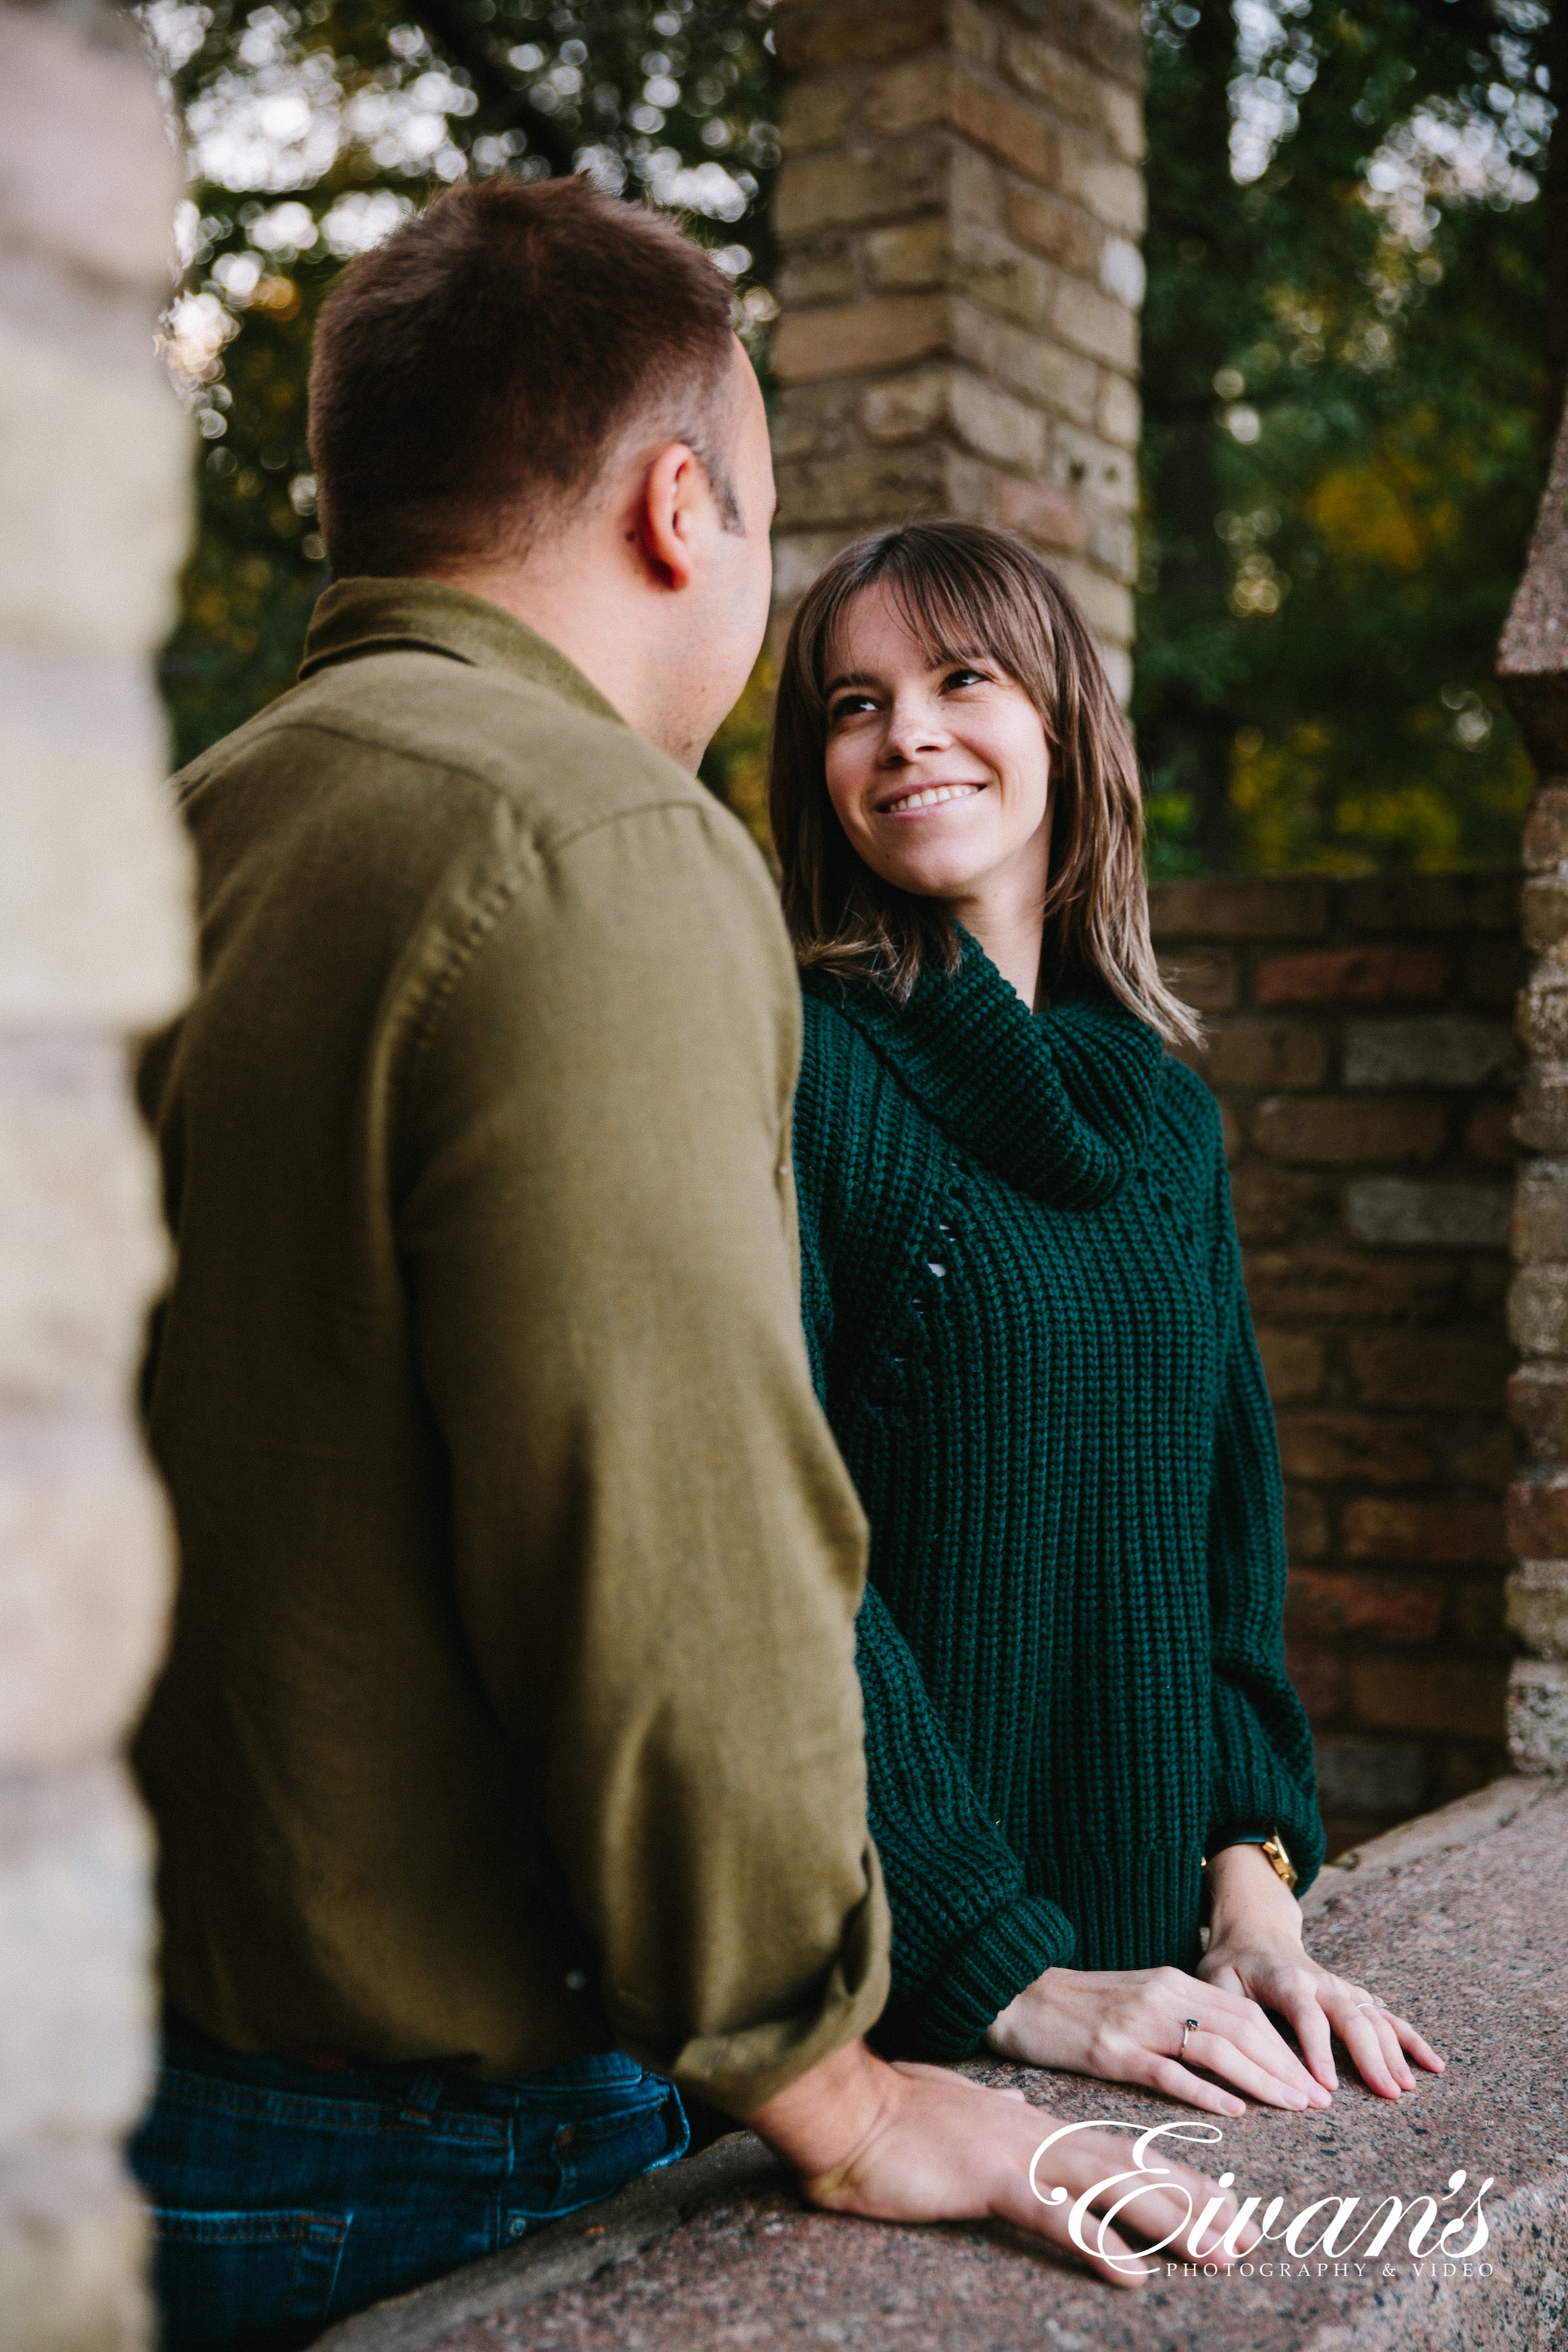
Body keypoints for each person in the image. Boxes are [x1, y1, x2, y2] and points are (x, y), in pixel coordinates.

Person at [127, 185, 1243, 2349]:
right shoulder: (600, 846)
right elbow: (670, 1537)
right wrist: (828, 2083)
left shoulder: (178, 828)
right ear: (677, 507)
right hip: (442, 2158)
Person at [770, 521, 1445, 2123]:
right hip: (912, 2018)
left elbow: (1222, 1568)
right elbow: (783, 1554)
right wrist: (985, 1952)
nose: (908, 730)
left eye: (961, 678)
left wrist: (1253, 1891)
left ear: (1066, 726)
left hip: (1164, 2005)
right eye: (853, 704)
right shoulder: (801, 1076)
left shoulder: (1167, 1126)